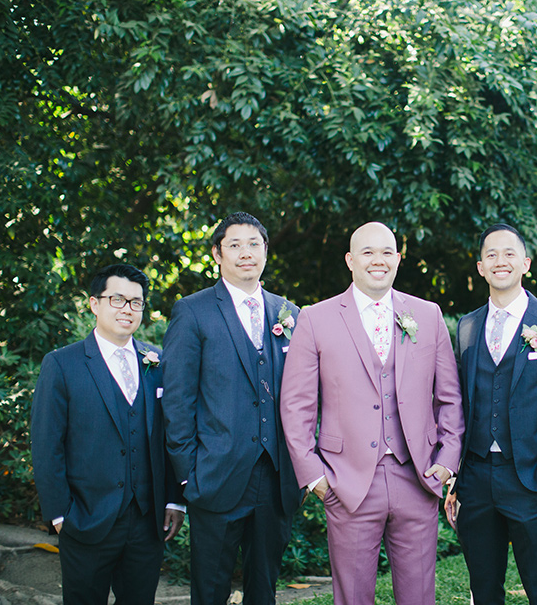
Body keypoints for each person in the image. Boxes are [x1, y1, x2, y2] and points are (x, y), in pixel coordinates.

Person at [281, 221, 464, 605]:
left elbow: (449, 397)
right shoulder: (316, 318)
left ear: (398, 259)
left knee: (419, 597)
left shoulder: (427, 315)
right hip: (346, 481)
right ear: (350, 260)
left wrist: (447, 460)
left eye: (386, 252)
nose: (377, 260)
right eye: (367, 252)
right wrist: (315, 477)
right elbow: (296, 406)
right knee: (353, 598)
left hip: (418, 476)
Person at [445, 223, 537, 605]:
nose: (500, 261)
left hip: (533, 477)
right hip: (476, 478)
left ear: (525, 263)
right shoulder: (467, 326)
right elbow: (460, 404)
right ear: (479, 267)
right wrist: (457, 477)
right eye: (491, 254)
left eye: (509, 253)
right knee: (484, 587)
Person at [162, 212, 301, 605]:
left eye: (254, 244)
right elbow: (177, 398)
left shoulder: (289, 313)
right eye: (235, 245)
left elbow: (307, 396)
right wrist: (189, 474)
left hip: (275, 478)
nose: (246, 253)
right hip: (215, 476)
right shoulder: (193, 311)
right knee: (210, 590)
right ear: (217, 254)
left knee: (265, 589)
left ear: (266, 252)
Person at [31, 263, 184, 605]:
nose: (127, 309)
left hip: (147, 522)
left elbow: (171, 435)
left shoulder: (157, 361)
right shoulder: (62, 364)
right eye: (117, 299)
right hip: (85, 519)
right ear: (94, 304)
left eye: (136, 302)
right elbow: (46, 444)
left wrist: (174, 499)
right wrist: (60, 515)